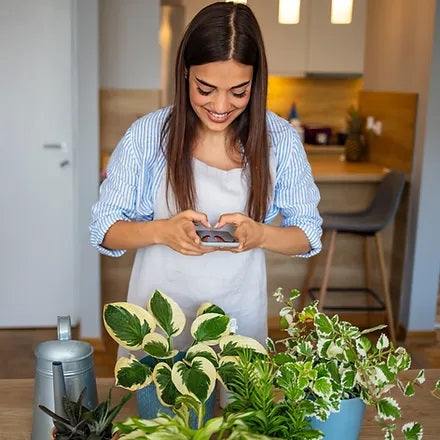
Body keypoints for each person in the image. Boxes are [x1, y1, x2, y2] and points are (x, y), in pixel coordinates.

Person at [90, 1, 322, 350]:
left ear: (255, 81)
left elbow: (307, 234)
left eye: (239, 91)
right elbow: (104, 231)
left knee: (237, 404)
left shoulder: (281, 140)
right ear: (185, 72)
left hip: (238, 319)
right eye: (206, 89)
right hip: (159, 327)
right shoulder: (147, 135)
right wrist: (162, 231)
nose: (220, 106)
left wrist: (259, 234)